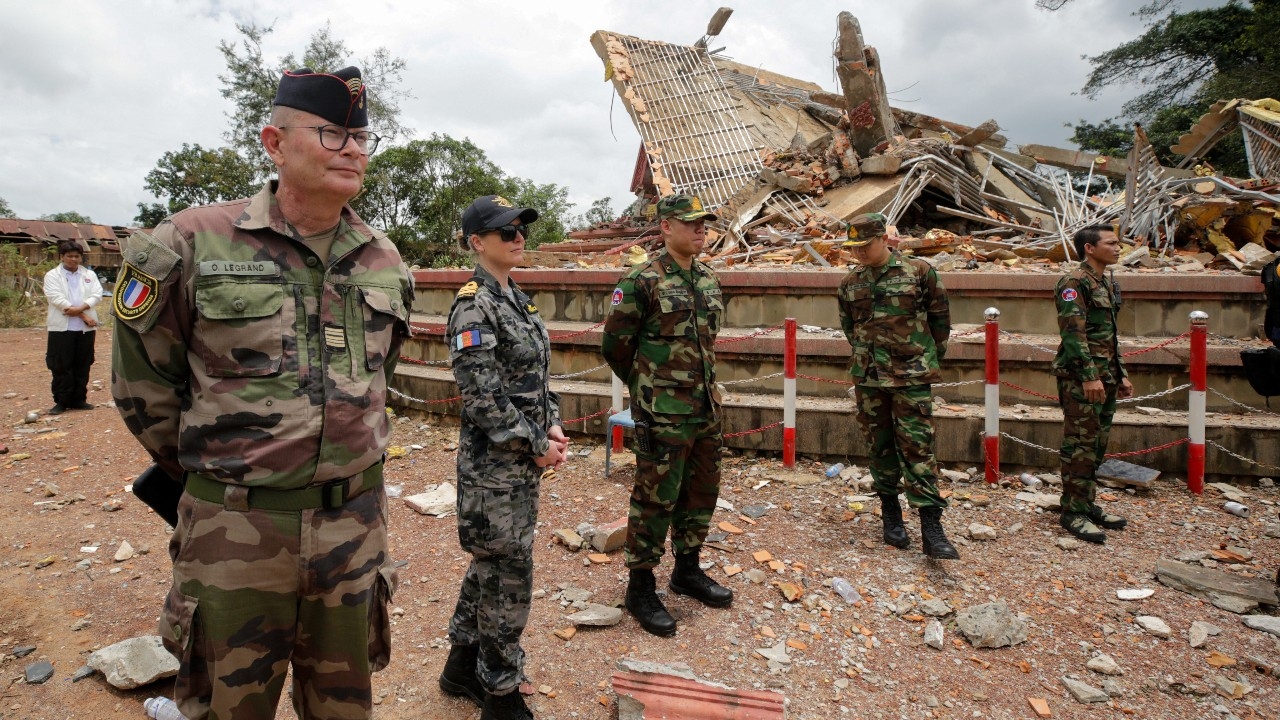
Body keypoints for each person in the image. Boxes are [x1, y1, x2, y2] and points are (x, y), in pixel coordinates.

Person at [112, 66, 412, 720]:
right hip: (233, 535)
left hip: (354, 532)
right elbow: (142, 388)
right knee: (227, 708)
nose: (355, 149)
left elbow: (379, 379)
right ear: (274, 143)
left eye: (362, 136)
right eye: (333, 133)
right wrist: (223, 474)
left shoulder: (384, 259)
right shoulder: (189, 242)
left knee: (343, 710)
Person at [438, 195, 566, 720]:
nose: (518, 237)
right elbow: (483, 400)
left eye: (520, 229)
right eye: (505, 231)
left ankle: (461, 666)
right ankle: (500, 693)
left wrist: (552, 420)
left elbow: (535, 378)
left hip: (521, 462)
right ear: (477, 243)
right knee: (508, 577)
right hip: (495, 470)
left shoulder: (517, 298)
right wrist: (537, 445)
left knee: (492, 567)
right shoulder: (474, 305)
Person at [601, 193, 733, 638]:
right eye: (691, 223)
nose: (701, 230)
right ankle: (640, 587)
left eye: (705, 223)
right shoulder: (642, 280)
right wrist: (648, 393)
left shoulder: (709, 279)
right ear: (666, 228)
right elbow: (615, 346)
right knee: (654, 499)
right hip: (663, 414)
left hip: (706, 411)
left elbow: (708, 345)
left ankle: (687, 570)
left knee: (701, 492)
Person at [836, 212, 959, 560]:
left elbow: (940, 319)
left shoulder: (918, 272)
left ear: (883, 240)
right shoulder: (850, 283)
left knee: (919, 448)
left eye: (865, 245)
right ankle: (892, 516)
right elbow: (850, 328)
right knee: (880, 447)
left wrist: (925, 358)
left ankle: (931, 529)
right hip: (869, 377)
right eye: (853, 247)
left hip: (912, 376)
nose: (858, 252)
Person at [1052, 225, 1133, 543]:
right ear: (1090, 248)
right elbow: (1073, 334)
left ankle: (1086, 503)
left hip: (1106, 376)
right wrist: (1089, 376)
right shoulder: (1074, 283)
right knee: (1080, 447)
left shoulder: (1106, 282)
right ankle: (1072, 512)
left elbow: (1109, 335)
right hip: (1082, 379)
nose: (1118, 247)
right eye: (1111, 243)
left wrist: (1121, 372)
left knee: (1097, 445)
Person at [43, 240, 102, 414]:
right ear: (62, 257)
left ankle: (79, 399)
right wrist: (83, 315)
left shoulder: (89, 275)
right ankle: (62, 401)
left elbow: (97, 294)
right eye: (69, 256)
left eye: (77, 256)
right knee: (61, 364)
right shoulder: (52, 276)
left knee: (83, 363)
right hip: (61, 328)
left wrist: (81, 308)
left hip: (86, 329)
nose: (73, 260)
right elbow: (57, 299)